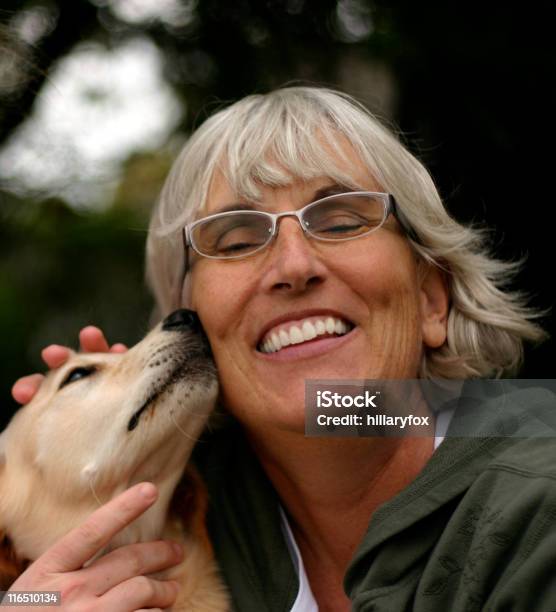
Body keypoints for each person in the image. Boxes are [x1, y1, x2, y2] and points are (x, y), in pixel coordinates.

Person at [9, 86, 556, 611]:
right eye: (238, 240)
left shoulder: (537, 502)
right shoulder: (190, 501)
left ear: (431, 300)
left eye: (341, 221)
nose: (294, 266)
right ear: (193, 326)